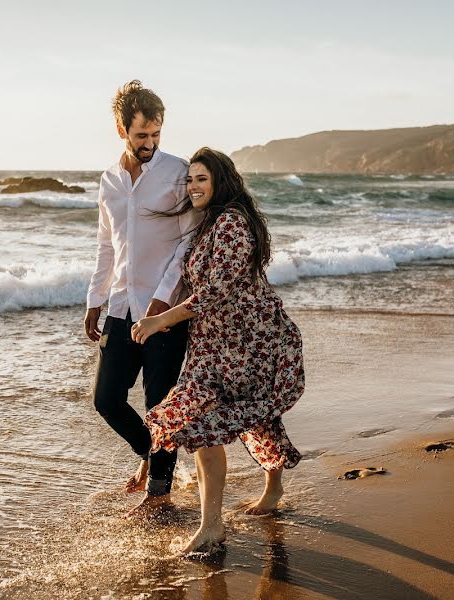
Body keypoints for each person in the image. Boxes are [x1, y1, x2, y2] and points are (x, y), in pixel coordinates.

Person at [130, 147, 305, 553]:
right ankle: (262, 494)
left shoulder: (231, 224)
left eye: (201, 179)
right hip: (213, 344)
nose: (193, 186)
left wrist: (161, 320)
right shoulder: (210, 223)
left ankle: (213, 527)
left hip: (248, 341)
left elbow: (214, 290)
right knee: (240, 415)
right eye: (190, 179)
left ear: (220, 181)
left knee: (218, 420)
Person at [85, 80, 198, 515]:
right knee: (107, 399)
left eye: (155, 135)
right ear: (121, 130)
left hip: (165, 312)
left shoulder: (176, 172)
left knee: (159, 403)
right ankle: (151, 458)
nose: (149, 143)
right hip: (119, 305)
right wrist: (95, 299)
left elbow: (187, 243)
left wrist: (163, 301)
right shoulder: (110, 180)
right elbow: (106, 245)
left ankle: (160, 494)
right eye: (141, 136)